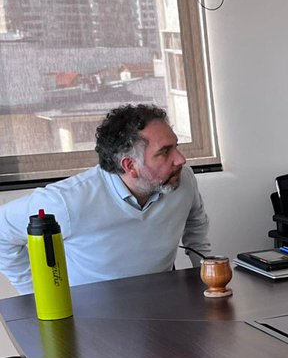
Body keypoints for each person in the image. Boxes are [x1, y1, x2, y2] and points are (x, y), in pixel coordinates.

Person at [0, 104, 211, 294]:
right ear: (130, 166)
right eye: (165, 152)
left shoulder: (183, 180)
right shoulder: (67, 201)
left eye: (176, 146)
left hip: (162, 306)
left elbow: (196, 223)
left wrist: (206, 276)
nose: (181, 159)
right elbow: (2, 231)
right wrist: (35, 294)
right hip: (90, 319)